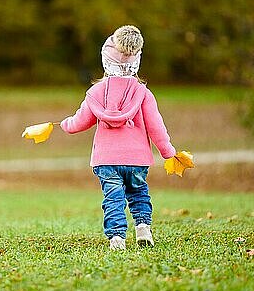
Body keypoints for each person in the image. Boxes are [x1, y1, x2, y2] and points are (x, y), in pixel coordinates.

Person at [60, 25, 176, 250]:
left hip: (107, 160)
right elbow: (156, 126)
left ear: (105, 61)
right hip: (137, 160)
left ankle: (117, 239)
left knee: (113, 198)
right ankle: (143, 228)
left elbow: (79, 122)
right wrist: (168, 152)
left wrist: (65, 124)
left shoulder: (95, 93)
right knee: (139, 192)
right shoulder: (143, 93)